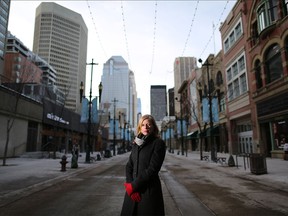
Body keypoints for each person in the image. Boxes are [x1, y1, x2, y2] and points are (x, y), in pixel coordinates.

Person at [120, 114, 166, 216]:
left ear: (154, 127)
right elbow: (129, 166)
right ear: (140, 127)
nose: (146, 127)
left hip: (148, 191)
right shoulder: (137, 143)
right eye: (143, 124)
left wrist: (134, 186)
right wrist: (129, 185)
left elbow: (152, 169)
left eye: (149, 125)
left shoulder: (158, 143)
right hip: (132, 192)